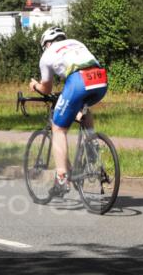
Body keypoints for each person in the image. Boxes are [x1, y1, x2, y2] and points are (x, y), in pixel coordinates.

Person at [28, 27, 108, 197]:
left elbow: (46, 88)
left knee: (58, 128)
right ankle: (92, 144)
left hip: (78, 81)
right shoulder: (76, 43)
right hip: (100, 78)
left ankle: (61, 178)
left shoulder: (47, 54)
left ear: (47, 43)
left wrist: (34, 86)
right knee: (82, 108)